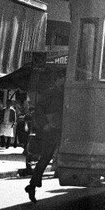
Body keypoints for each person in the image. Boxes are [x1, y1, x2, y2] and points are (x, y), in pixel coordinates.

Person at [25, 73, 65, 203]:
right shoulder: (51, 92)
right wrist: (45, 125)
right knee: (46, 157)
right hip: (52, 129)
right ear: (58, 78)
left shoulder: (64, 92)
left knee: (48, 158)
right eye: (62, 78)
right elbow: (38, 109)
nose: (64, 81)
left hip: (61, 129)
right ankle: (32, 185)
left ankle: (32, 184)